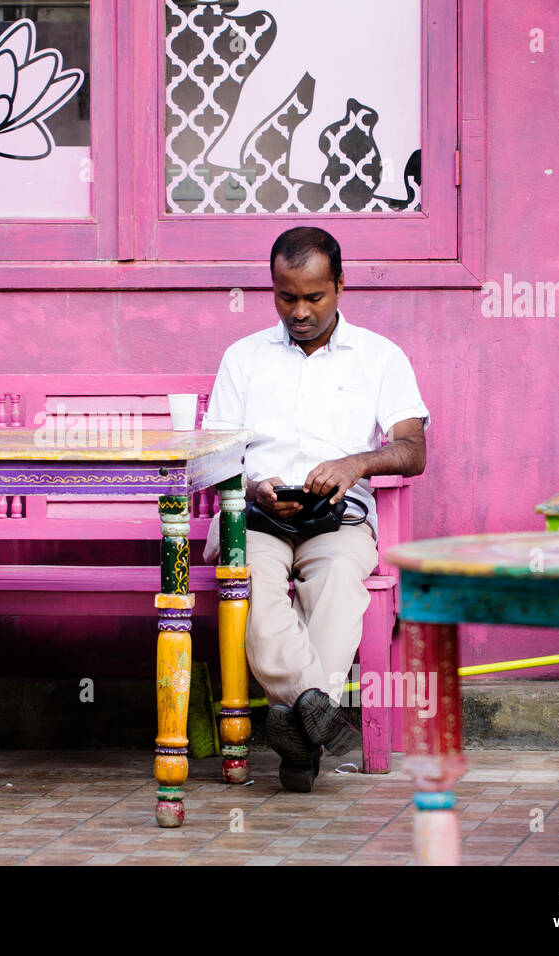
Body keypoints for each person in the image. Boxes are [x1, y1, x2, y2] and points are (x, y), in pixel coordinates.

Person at [203, 226, 429, 792]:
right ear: (273, 288)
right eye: (286, 297)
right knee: (248, 581)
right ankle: (317, 716)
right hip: (257, 514)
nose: (299, 311)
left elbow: (412, 451)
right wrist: (254, 486)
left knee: (338, 587)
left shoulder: (380, 356)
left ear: (340, 287)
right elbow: (211, 458)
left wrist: (354, 465)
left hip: (338, 515)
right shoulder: (243, 358)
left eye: (314, 296)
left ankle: (295, 726)